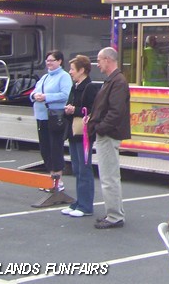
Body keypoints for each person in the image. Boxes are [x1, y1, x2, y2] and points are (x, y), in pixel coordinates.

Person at [89, 47, 131, 229]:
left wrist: (100, 127)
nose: (97, 64)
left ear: (107, 59)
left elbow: (115, 111)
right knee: (109, 176)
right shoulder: (115, 80)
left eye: (99, 60)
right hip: (107, 132)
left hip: (108, 134)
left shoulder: (117, 82)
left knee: (109, 177)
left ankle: (114, 216)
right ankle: (114, 212)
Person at [61, 55, 100, 217]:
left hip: (84, 133)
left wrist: (74, 110)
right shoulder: (75, 85)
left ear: (82, 70)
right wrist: (68, 109)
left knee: (84, 168)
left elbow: (91, 109)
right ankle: (79, 201)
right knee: (77, 168)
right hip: (73, 131)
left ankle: (86, 205)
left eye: (72, 69)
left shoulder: (89, 87)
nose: (70, 72)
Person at [30, 50, 73, 192]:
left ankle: (58, 181)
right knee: (45, 148)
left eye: (52, 60)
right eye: (47, 60)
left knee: (55, 148)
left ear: (60, 61)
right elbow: (34, 91)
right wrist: (34, 96)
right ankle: (51, 178)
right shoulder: (45, 77)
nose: (49, 63)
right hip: (41, 117)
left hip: (55, 118)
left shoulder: (64, 76)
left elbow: (65, 95)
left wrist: (46, 97)